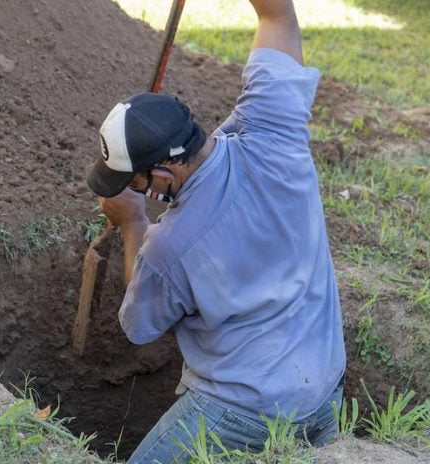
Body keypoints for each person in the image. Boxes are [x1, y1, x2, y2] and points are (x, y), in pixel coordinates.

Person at [86, 0, 346, 462]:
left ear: (164, 175)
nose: (134, 190)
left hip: (238, 412)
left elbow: (139, 326)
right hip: (322, 393)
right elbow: (277, 15)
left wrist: (133, 224)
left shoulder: (169, 245)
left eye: (135, 182)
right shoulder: (275, 133)